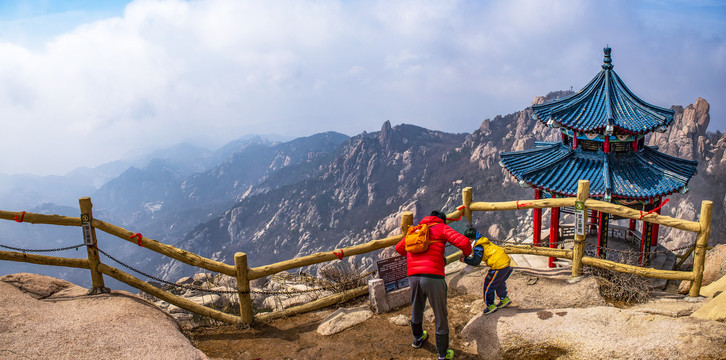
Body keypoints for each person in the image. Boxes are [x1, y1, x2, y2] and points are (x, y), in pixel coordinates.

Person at [395, 210, 472, 360]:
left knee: (417, 307)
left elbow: (399, 248)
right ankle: (442, 354)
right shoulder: (441, 227)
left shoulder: (416, 230)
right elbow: (464, 242)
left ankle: (417, 339)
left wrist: (414, 257)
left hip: (413, 276)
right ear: (441, 220)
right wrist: (467, 254)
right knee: (440, 314)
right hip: (433, 276)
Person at [459, 226, 513, 315]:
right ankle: (504, 298)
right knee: (499, 282)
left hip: (498, 265)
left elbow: (476, 261)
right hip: (505, 264)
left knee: (488, 285)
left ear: (471, 239)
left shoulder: (479, 246)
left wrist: (464, 260)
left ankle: (490, 305)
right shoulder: (483, 241)